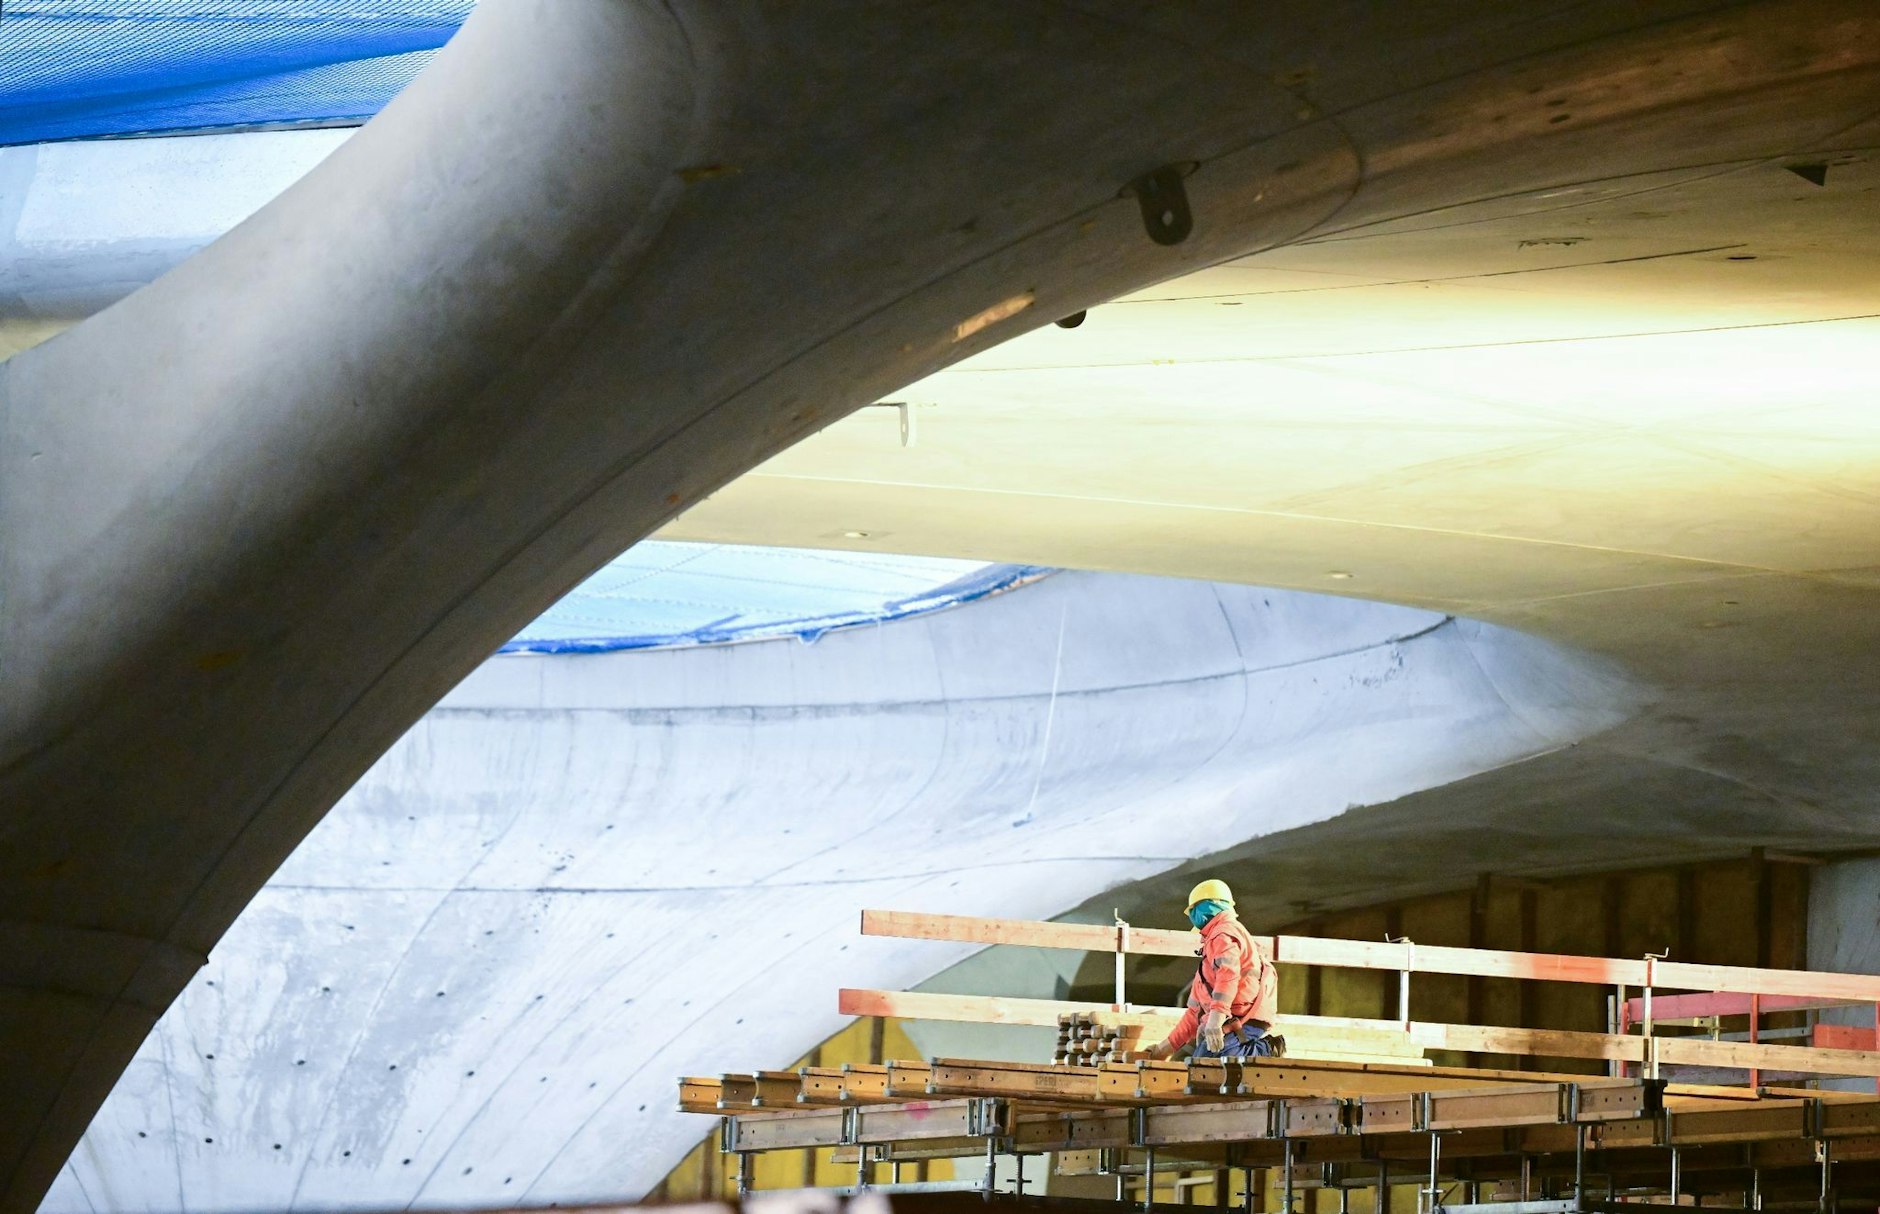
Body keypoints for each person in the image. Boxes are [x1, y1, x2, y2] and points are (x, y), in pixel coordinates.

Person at [1139, 879, 1282, 1060]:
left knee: (1208, 1060)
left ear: (1211, 904)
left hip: (1244, 1018)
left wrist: (1216, 1017)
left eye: (1194, 910)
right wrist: (1163, 1049)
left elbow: (1228, 974)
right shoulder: (1206, 966)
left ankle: (1267, 1049)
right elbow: (1193, 1015)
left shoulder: (1223, 933)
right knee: (1187, 1061)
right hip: (1231, 1018)